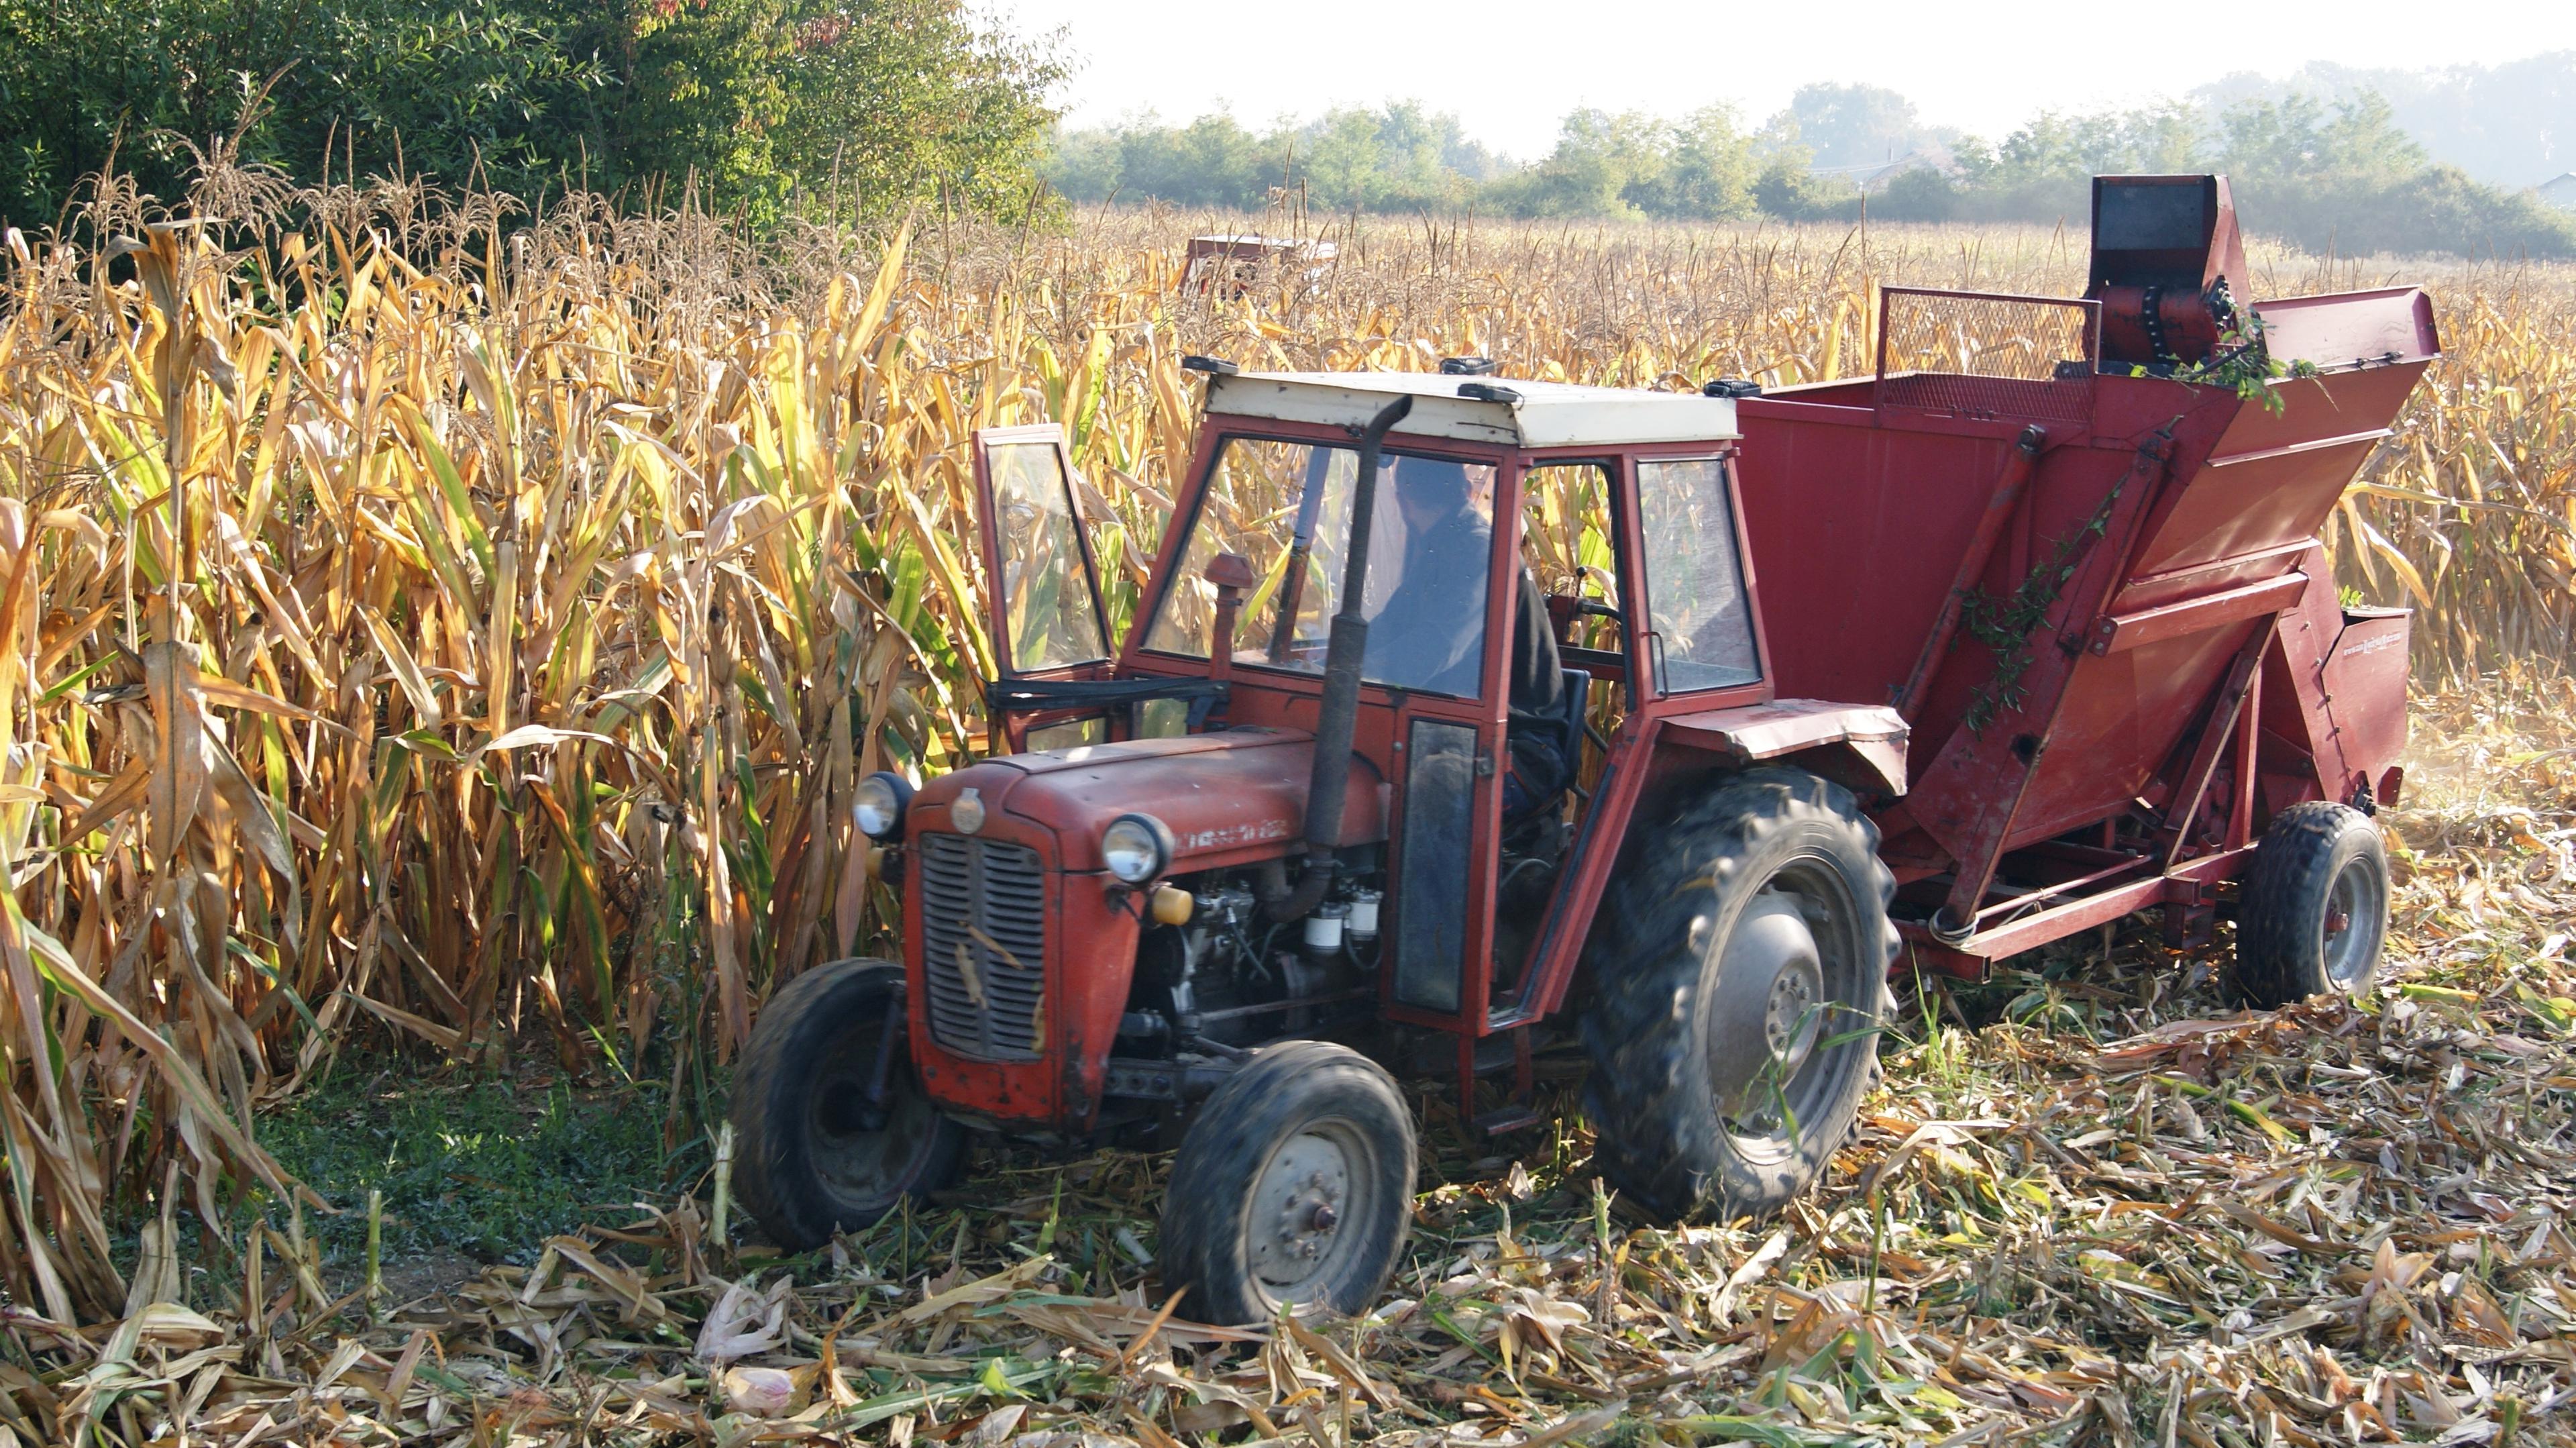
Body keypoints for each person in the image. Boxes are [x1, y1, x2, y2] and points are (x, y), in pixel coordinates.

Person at [1365, 456, 1569, 816]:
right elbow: (1387, 628)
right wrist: (1321, 661)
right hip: (1443, 730)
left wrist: (1352, 673)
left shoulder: (1479, 552)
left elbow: (1433, 650)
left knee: (1436, 781)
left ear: (1401, 501)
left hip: (1512, 746)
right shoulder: (1438, 549)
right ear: (1465, 489)